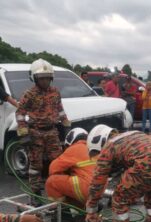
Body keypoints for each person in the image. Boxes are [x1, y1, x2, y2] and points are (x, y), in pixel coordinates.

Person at [16, 58, 71, 206]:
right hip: (35, 133)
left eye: (48, 78)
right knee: (36, 165)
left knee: (57, 162)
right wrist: (24, 132)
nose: (45, 81)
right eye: (42, 78)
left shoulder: (55, 92)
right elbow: (20, 113)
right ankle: (35, 194)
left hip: (52, 132)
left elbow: (60, 110)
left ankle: (59, 189)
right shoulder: (29, 94)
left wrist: (66, 124)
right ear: (34, 78)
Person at [45, 128, 96, 207]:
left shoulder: (75, 148)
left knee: (51, 182)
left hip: (87, 189)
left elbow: (53, 168)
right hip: (99, 190)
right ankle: (86, 208)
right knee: (75, 180)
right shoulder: (93, 147)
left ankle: (61, 213)